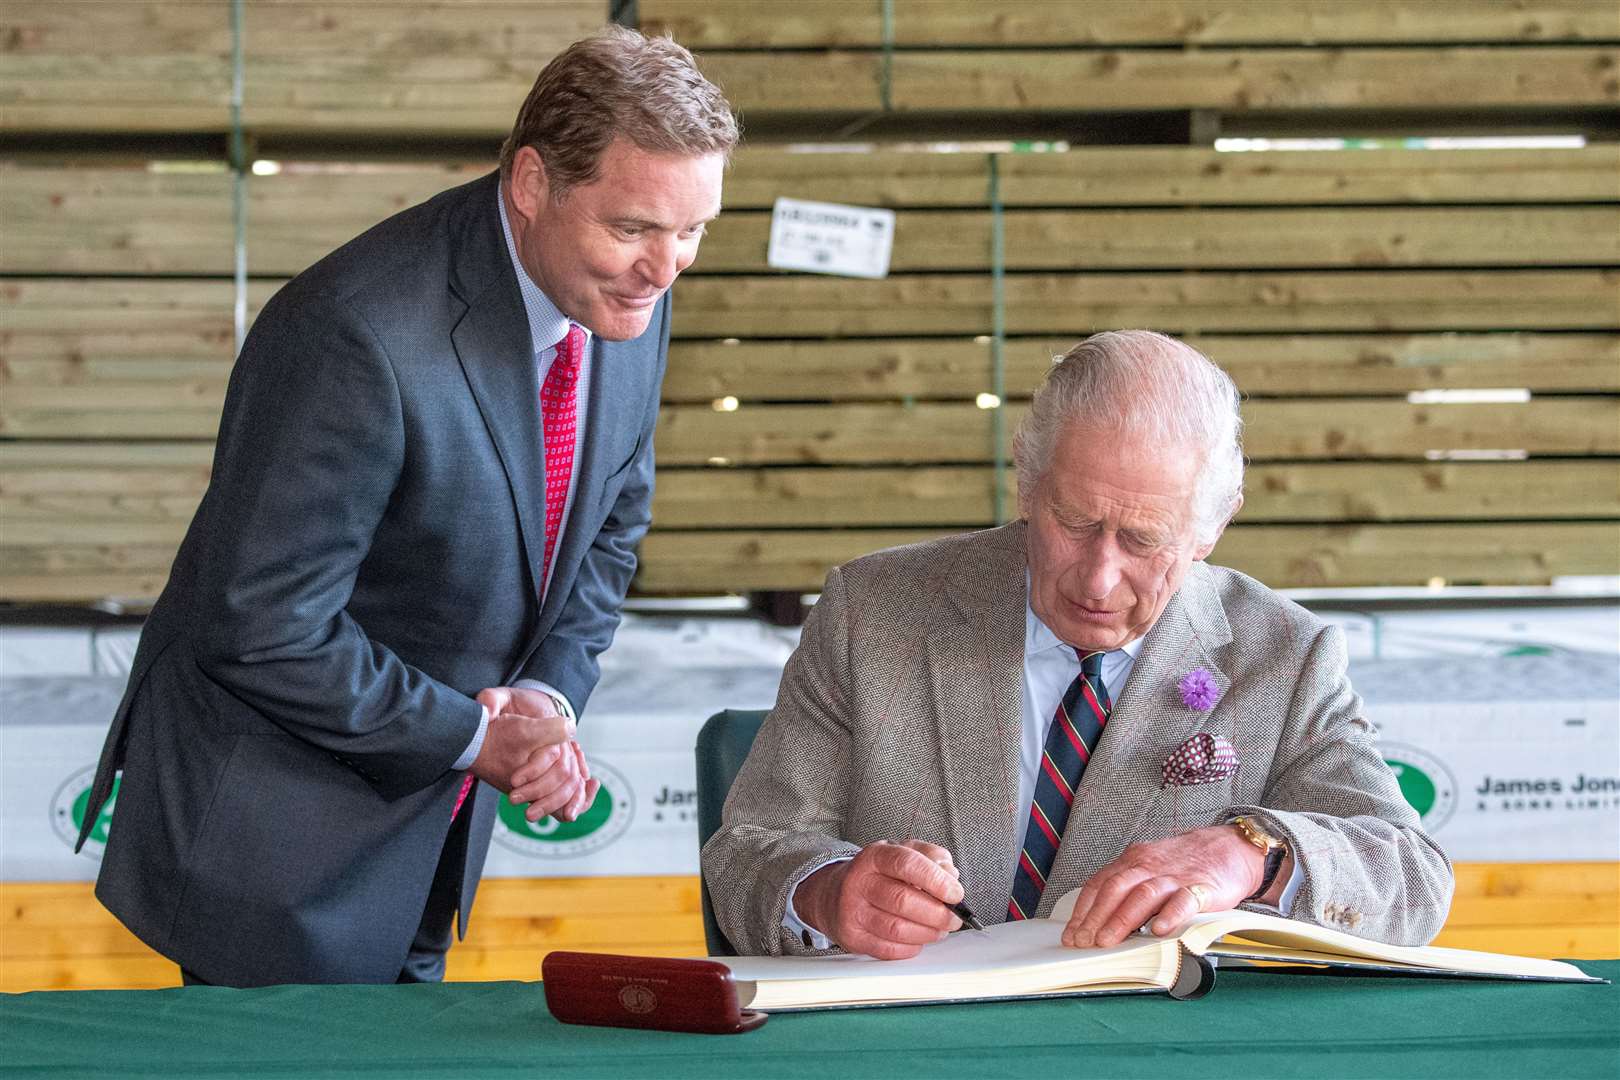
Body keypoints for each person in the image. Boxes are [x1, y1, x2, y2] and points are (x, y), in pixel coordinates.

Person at [76, 27, 738, 986]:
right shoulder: (355, 333)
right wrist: (478, 738)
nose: (667, 265)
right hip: (276, 843)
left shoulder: (627, 287)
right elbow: (260, 625)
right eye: (634, 228)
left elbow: (606, 532)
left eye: (695, 231)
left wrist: (547, 700)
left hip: (434, 829)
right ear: (530, 184)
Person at [703, 330, 1454, 959]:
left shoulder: (1285, 656)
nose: (1098, 578)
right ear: (1027, 481)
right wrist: (829, 894)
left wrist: (1251, 854)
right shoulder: (872, 613)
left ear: (1212, 527)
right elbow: (748, 851)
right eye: (1072, 521)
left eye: (1142, 539)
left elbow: (1412, 880)